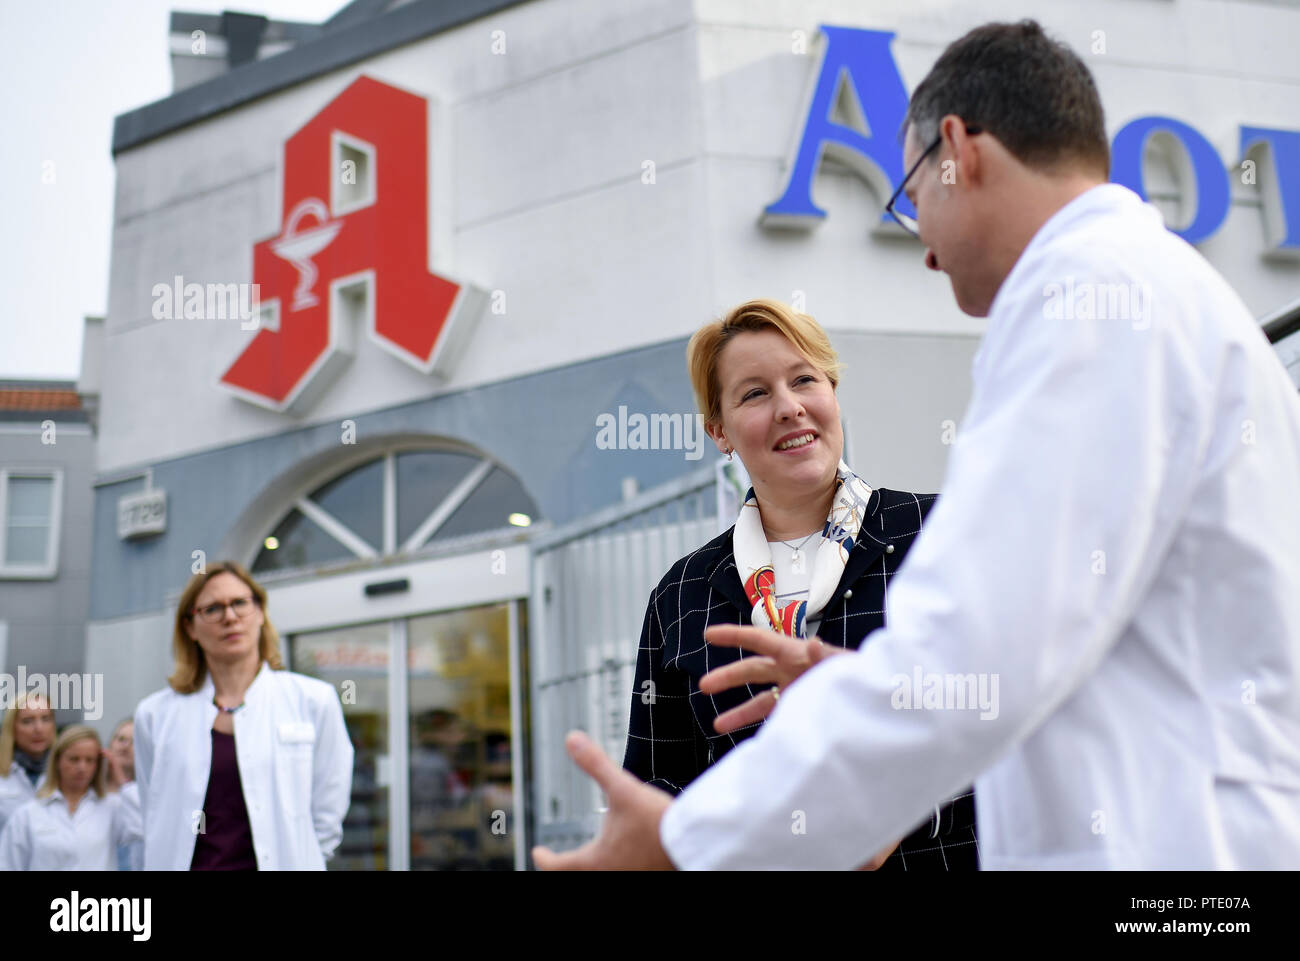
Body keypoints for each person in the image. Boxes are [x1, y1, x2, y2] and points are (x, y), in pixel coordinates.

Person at [533, 19, 1300, 870]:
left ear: (957, 151)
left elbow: (974, 656)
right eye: (754, 392)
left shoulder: (1088, 304)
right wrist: (864, 690)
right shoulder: (1156, 294)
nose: (922, 247)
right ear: (718, 428)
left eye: (911, 196)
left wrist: (685, 841)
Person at [622, 298, 976, 870]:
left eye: (804, 379)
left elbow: (1014, 713)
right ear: (720, 431)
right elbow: (661, 789)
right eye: (755, 393)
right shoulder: (683, 596)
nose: (789, 408)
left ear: (832, 394)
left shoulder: (939, 534)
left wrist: (892, 815)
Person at [133, 560, 355, 870]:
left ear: (261, 613)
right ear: (189, 627)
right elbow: (154, 813)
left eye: (240, 603)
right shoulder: (155, 715)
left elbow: (327, 816)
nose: (230, 617)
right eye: (212, 609)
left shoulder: (314, 701)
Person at [0, 725, 141, 870]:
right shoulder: (28, 814)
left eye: (90, 760)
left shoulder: (112, 807)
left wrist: (123, 782)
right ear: (57, 761)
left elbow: (143, 828)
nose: (82, 768)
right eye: (74, 759)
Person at [0, 692, 55, 836]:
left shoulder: (67, 772)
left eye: (45, 719)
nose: (38, 729)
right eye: (27, 721)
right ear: (12, 727)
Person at [105, 717, 143, 871]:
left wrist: (123, 782)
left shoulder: (147, 795)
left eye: (134, 742)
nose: (125, 746)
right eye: (121, 739)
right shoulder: (90, 791)